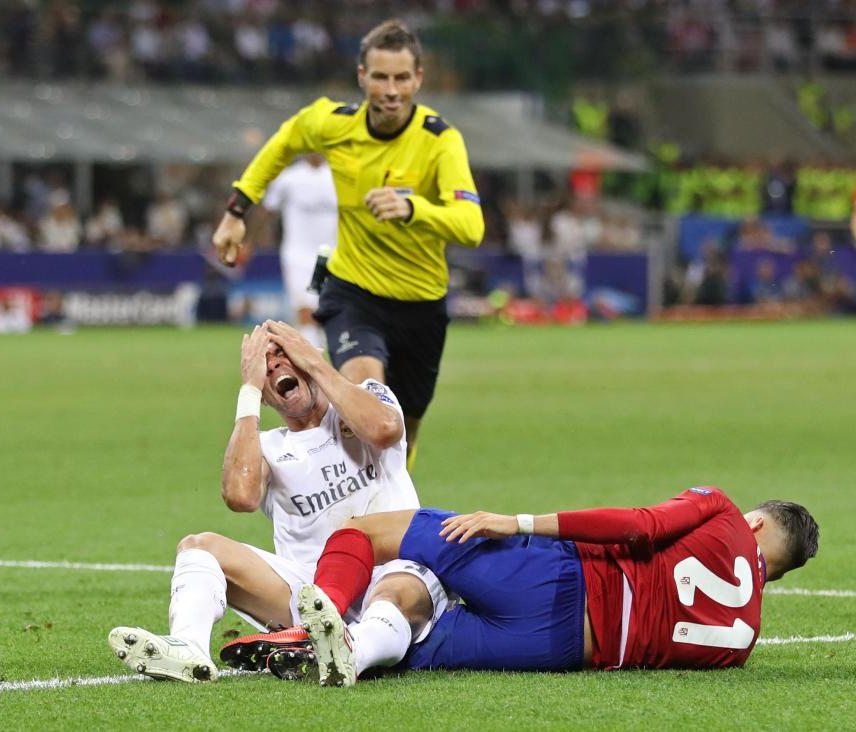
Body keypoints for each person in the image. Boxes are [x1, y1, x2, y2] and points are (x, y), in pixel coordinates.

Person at [108, 320, 447, 682]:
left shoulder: (365, 396)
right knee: (198, 547)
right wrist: (249, 390)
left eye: (283, 355)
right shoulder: (269, 446)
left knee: (393, 592)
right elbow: (240, 496)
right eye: (264, 367)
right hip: (311, 596)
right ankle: (188, 647)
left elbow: (384, 430)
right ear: (266, 397)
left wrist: (315, 362)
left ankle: (352, 651)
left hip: (397, 570)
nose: (273, 366)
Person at [212, 19, 485, 468]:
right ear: (362, 77)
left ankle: (389, 510)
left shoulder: (440, 142)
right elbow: (281, 144)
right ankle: (346, 523)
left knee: (403, 433)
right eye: (380, 77)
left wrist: (414, 209)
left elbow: (471, 225)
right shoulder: (333, 124)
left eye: (401, 78)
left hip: (421, 305)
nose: (391, 90)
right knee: (368, 412)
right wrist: (236, 211)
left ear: (418, 78)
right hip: (353, 294)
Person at [286, 487, 818, 686]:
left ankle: (316, 619)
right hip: (558, 650)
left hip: (558, 578)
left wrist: (518, 522)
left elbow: (639, 525)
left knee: (365, 531)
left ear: (757, 524)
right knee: (408, 647)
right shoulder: (743, 643)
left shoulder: (725, 514)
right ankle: (353, 657)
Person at [258, 153, 338, 348]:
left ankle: (318, 357)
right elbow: (267, 209)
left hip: (334, 253)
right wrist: (253, 240)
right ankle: (311, 364)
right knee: (305, 309)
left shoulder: (340, 175)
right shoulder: (288, 178)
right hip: (298, 254)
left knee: (327, 310)